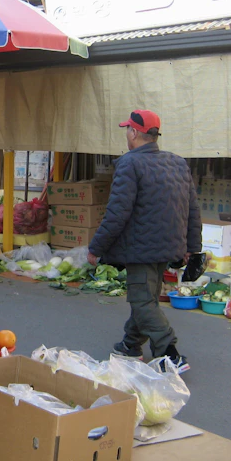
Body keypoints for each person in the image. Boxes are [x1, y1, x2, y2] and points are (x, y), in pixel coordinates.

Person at [87, 110, 201, 372]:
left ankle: (169, 352)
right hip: (170, 248)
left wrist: (96, 248)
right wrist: (192, 248)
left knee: (142, 301)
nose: (126, 133)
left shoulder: (130, 164)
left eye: (127, 129)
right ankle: (130, 345)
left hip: (140, 249)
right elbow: (191, 209)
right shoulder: (177, 162)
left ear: (134, 133)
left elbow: (117, 214)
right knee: (146, 298)